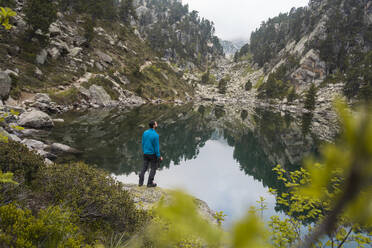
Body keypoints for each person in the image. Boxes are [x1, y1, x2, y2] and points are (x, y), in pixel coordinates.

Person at [139, 120, 163, 187]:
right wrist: (159, 156)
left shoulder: (145, 132)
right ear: (154, 125)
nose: (157, 124)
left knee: (144, 167)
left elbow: (143, 143)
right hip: (152, 154)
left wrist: (144, 151)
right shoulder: (155, 135)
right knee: (153, 168)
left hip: (145, 153)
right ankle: (149, 183)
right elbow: (156, 147)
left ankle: (140, 182)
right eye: (156, 123)